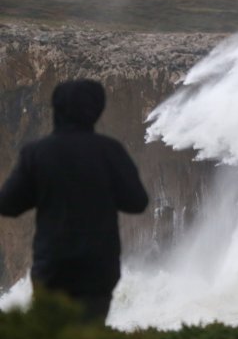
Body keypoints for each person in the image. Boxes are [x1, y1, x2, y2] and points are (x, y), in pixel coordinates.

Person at [0, 79, 148, 322]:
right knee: (90, 337)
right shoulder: (110, 151)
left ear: (56, 108)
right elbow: (137, 202)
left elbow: (8, 204)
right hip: (98, 267)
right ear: (96, 110)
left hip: (53, 267)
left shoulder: (37, 153)